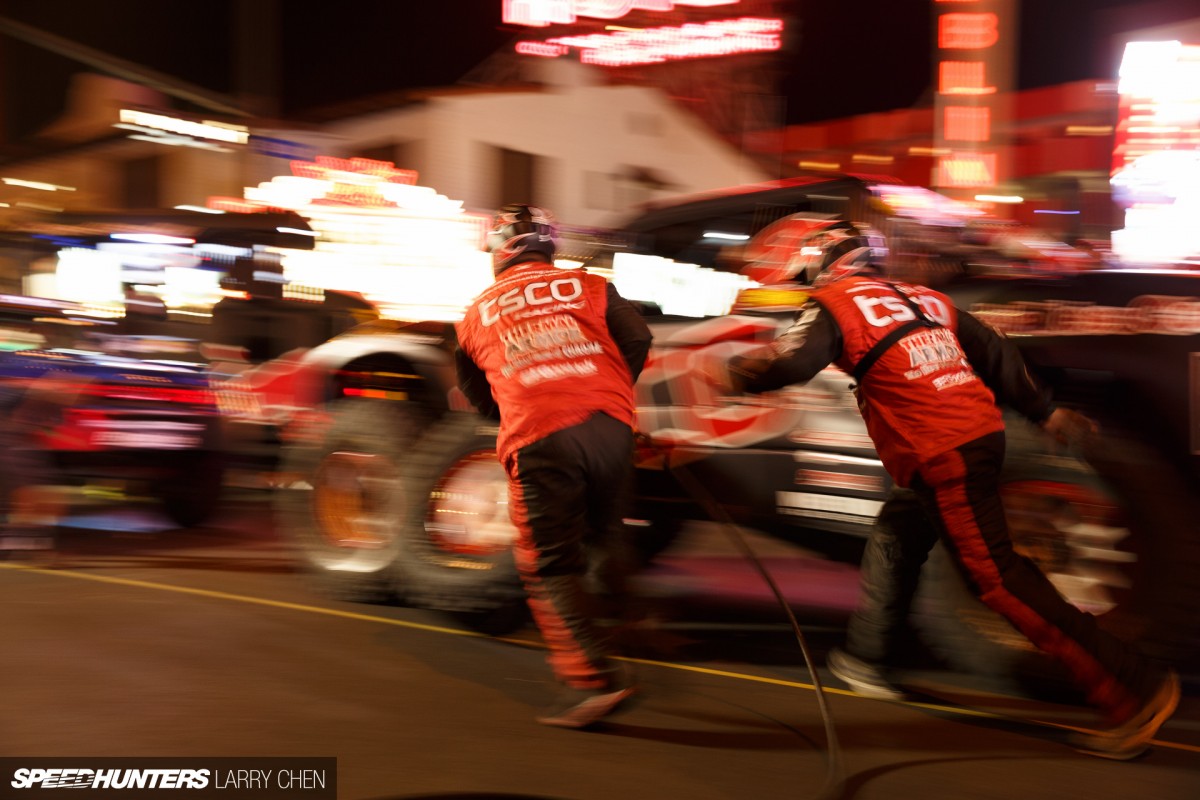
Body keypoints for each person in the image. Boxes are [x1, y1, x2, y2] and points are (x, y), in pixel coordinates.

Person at [714, 217, 1179, 761]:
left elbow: (789, 363)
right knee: (899, 530)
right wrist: (1044, 410)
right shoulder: (923, 295)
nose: (797, 285)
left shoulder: (832, 304)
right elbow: (995, 349)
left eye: (795, 275)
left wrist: (739, 375)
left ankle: (1133, 689)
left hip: (944, 452)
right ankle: (868, 658)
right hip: (974, 435)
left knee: (998, 582)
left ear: (816, 263)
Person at [454, 203, 653, 729]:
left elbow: (479, 395)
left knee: (548, 563)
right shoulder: (590, 286)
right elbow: (639, 339)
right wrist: (606, 392)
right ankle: (630, 628)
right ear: (548, 246)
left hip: (541, 436)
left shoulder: (476, 314)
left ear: (497, 250)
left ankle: (590, 681)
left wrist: (533, 402)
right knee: (605, 533)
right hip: (610, 425)